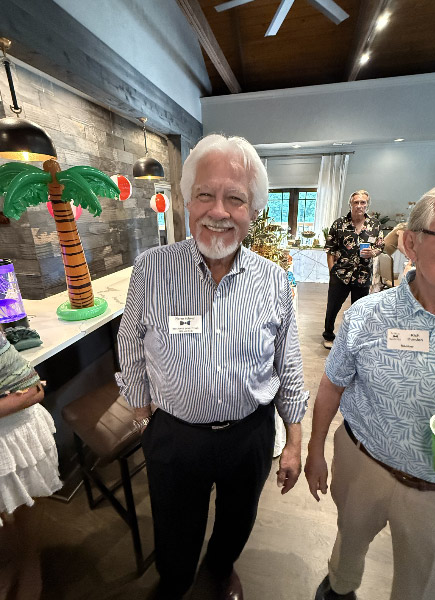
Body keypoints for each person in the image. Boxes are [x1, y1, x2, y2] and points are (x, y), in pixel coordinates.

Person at [116, 134, 308, 600]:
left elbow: (289, 362)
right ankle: (176, 581)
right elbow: (130, 342)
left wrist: (294, 440)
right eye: (205, 194)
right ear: (187, 200)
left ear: (253, 210)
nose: (218, 211)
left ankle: (220, 570)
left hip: (250, 433)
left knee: (238, 519)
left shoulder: (273, 280)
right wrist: (142, 415)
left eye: (235, 198)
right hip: (174, 433)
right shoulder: (151, 269)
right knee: (174, 525)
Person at [305, 182, 435, 600]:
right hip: (362, 462)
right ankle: (339, 585)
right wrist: (315, 449)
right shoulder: (367, 317)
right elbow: (331, 384)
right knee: (348, 542)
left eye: (364, 202)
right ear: (411, 244)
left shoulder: (372, 230)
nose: (360, 205)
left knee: (423, 581)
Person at [0, 326, 61, 599]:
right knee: (5, 512)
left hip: (12, 437)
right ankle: (12, 559)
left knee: (24, 507)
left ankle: (28, 562)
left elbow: (34, 390)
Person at [322, 190, 384, 349]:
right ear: (350, 204)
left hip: (363, 275)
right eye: (356, 202)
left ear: (367, 205)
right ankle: (328, 335)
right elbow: (330, 249)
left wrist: (373, 252)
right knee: (333, 307)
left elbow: (380, 246)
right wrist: (332, 272)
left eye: (363, 202)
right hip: (340, 274)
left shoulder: (375, 224)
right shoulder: (339, 224)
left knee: (360, 310)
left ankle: (354, 337)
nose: (359, 205)